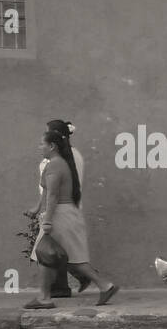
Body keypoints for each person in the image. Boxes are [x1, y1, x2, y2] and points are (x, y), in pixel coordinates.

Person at [25, 126, 116, 309]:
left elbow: (53, 195)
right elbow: (48, 192)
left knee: (44, 255)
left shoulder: (55, 165)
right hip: (65, 213)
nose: (39, 147)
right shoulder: (59, 163)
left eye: (42, 144)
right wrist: (37, 208)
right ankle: (105, 286)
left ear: (52, 146)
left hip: (59, 215)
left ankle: (44, 297)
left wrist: (48, 221)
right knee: (73, 259)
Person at [29, 119, 88, 297]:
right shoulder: (72, 155)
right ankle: (61, 287)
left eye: (46, 137)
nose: (42, 144)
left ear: (54, 141)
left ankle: (50, 293)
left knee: (47, 252)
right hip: (65, 207)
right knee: (62, 251)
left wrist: (46, 215)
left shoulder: (58, 160)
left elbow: (53, 190)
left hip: (57, 208)